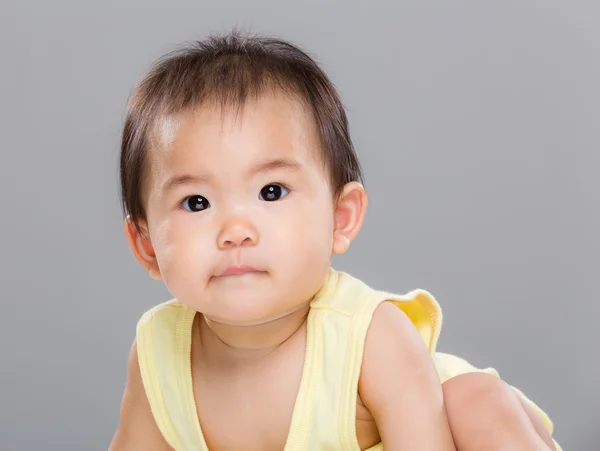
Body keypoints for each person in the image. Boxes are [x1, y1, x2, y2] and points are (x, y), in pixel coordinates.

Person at [109, 31, 560, 450]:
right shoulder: (157, 351)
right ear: (146, 244)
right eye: (196, 202)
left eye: (272, 192)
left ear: (340, 219)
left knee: (475, 401)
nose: (236, 231)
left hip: (461, 433)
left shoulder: (371, 338)